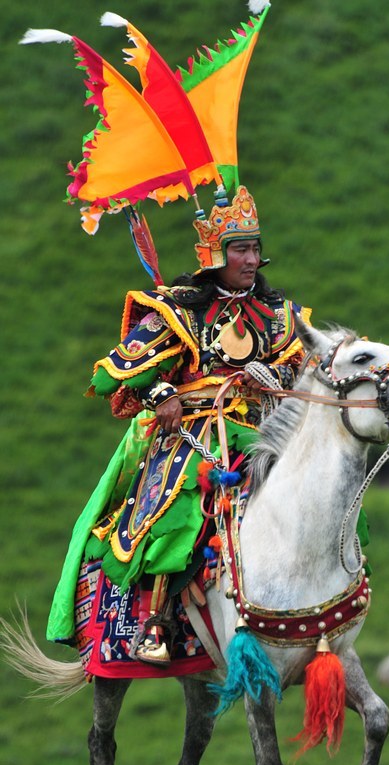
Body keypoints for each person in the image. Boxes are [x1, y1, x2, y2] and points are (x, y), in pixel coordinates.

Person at [47, 186, 310, 671]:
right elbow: (115, 371)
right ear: (215, 254)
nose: (253, 260)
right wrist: (162, 393)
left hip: (263, 429)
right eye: (241, 249)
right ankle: (158, 618)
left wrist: (275, 376)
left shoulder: (279, 316)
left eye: (255, 248)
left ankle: (322, 604)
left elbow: (304, 368)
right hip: (195, 432)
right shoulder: (181, 310)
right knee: (179, 505)